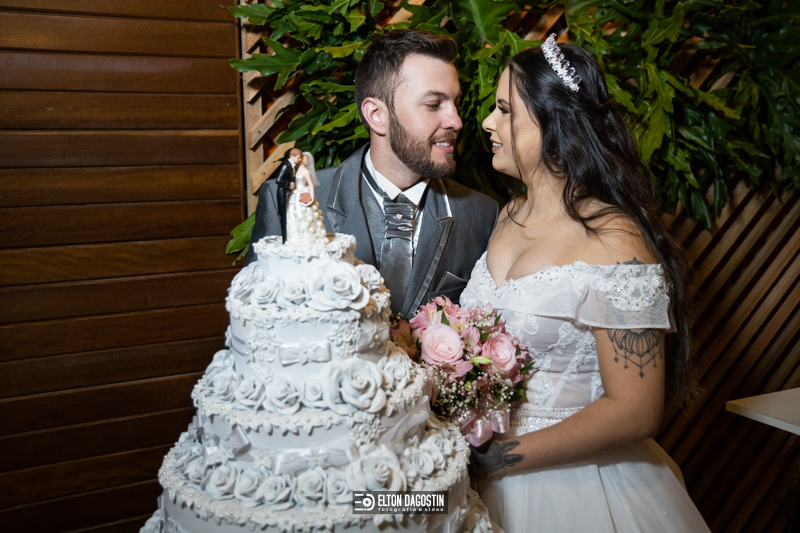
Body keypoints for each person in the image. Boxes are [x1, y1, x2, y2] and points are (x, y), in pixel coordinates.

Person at [462, 35, 711, 532]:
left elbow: (634, 412)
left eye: (505, 110)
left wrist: (497, 461)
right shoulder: (509, 214)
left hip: (573, 488)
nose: (488, 122)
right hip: (476, 472)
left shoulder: (617, 242)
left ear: (556, 125)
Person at [246, 30, 499, 317]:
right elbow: (255, 323)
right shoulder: (287, 203)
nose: (456, 120)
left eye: (456, 103)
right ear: (377, 115)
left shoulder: (482, 215)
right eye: (433, 105)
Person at [272, 147, 303, 243]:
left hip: (289, 193)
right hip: (283, 194)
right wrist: (289, 185)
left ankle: (290, 236)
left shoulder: (293, 167)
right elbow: (278, 180)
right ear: (293, 156)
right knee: (284, 215)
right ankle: (284, 238)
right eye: (298, 157)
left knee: (289, 214)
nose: (300, 160)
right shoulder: (286, 166)